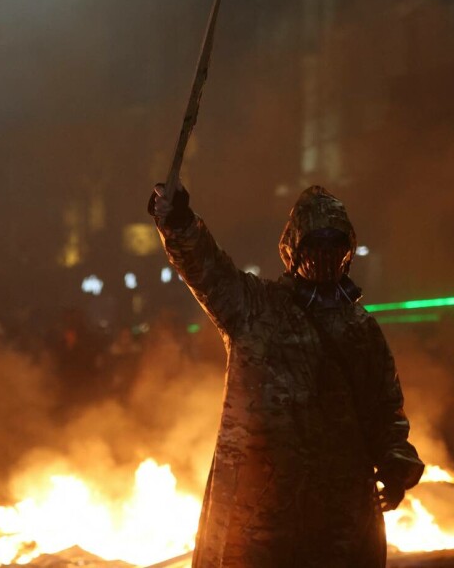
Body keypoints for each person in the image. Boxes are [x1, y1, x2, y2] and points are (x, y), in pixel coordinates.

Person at [148, 182, 424, 568]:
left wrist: (395, 465)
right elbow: (207, 270)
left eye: (335, 241)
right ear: (295, 248)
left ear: (348, 250)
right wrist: (178, 222)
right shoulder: (256, 309)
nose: (325, 252)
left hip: (340, 516)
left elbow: (384, 409)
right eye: (315, 241)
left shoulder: (361, 329)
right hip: (261, 514)